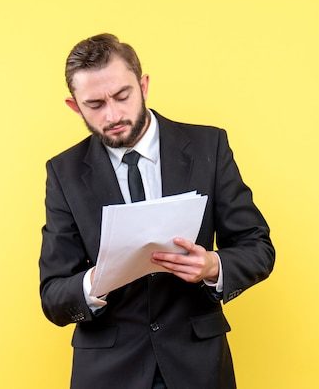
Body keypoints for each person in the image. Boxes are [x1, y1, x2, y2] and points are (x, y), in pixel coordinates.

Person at [39, 33, 276, 389]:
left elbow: (258, 246)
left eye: (122, 96)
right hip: (108, 372)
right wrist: (96, 282)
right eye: (95, 104)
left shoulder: (207, 146)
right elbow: (54, 295)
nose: (114, 114)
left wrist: (213, 266)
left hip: (197, 366)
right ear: (75, 106)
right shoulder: (64, 172)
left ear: (143, 85)